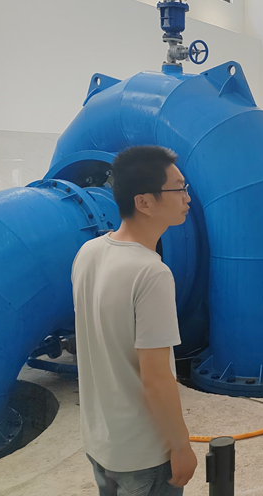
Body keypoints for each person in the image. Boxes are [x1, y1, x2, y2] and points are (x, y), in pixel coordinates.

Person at [72, 146, 197, 496]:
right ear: (144, 202)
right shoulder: (152, 273)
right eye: (179, 189)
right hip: (145, 455)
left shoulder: (88, 252)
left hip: (100, 443)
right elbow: (156, 378)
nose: (187, 198)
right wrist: (181, 446)